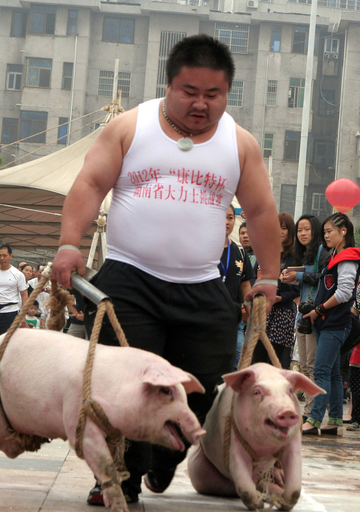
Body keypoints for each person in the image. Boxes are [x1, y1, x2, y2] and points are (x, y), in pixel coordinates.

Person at [52, 34, 281, 504]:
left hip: (201, 286)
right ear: (169, 85)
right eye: (189, 91)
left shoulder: (239, 143)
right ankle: (119, 477)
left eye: (212, 95)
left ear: (227, 93)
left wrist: (269, 276)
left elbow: (260, 212)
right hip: (129, 279)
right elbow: (89, 183)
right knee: (129, 387)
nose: (200, 103)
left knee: (203, 386)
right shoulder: (131, 128)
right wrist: (68, 245)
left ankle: (165, 459)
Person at [302, 212, 360, 435]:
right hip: (328, 322)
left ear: (343, 231)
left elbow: (345, 292)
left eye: (329, 231)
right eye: (324, 232)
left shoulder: (347, 257)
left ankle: (314, 420)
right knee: (334, 373)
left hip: (336, 323)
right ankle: (335, 418)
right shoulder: (335, 256)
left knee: (321, 371)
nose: (325, 236)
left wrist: (319, 309)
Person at [281, 214, 329, 421]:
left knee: (312, 364)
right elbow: (305, 283)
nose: (302, 233)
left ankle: (312, 414)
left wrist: (297, 276)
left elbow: (323, 277)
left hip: (317, 314)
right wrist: (290, 279)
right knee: (304, 365)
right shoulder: (304, 254)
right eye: (299, 230)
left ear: (315, 230)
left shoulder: (321, 251)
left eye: (306, 229)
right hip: (303, 315)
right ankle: (308, 412)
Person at [253, 212, 299, 369]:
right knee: (257, 357)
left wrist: (282, 297)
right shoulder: (265, 252)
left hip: (283, 312)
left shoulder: (295, 257)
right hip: (263, 310)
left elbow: (298, 288)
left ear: (290, 231)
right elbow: (253, 277)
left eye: (284, 228)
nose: (280, 231)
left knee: (274, 359)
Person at [219, 205, 254, 370]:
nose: (226, 222)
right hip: (207, 320)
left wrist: (254, 318)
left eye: (230, 218)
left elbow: (245, 285)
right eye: (223, 217)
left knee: (239, 365)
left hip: (234, 321)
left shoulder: (239, 251)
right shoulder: (202, 248)